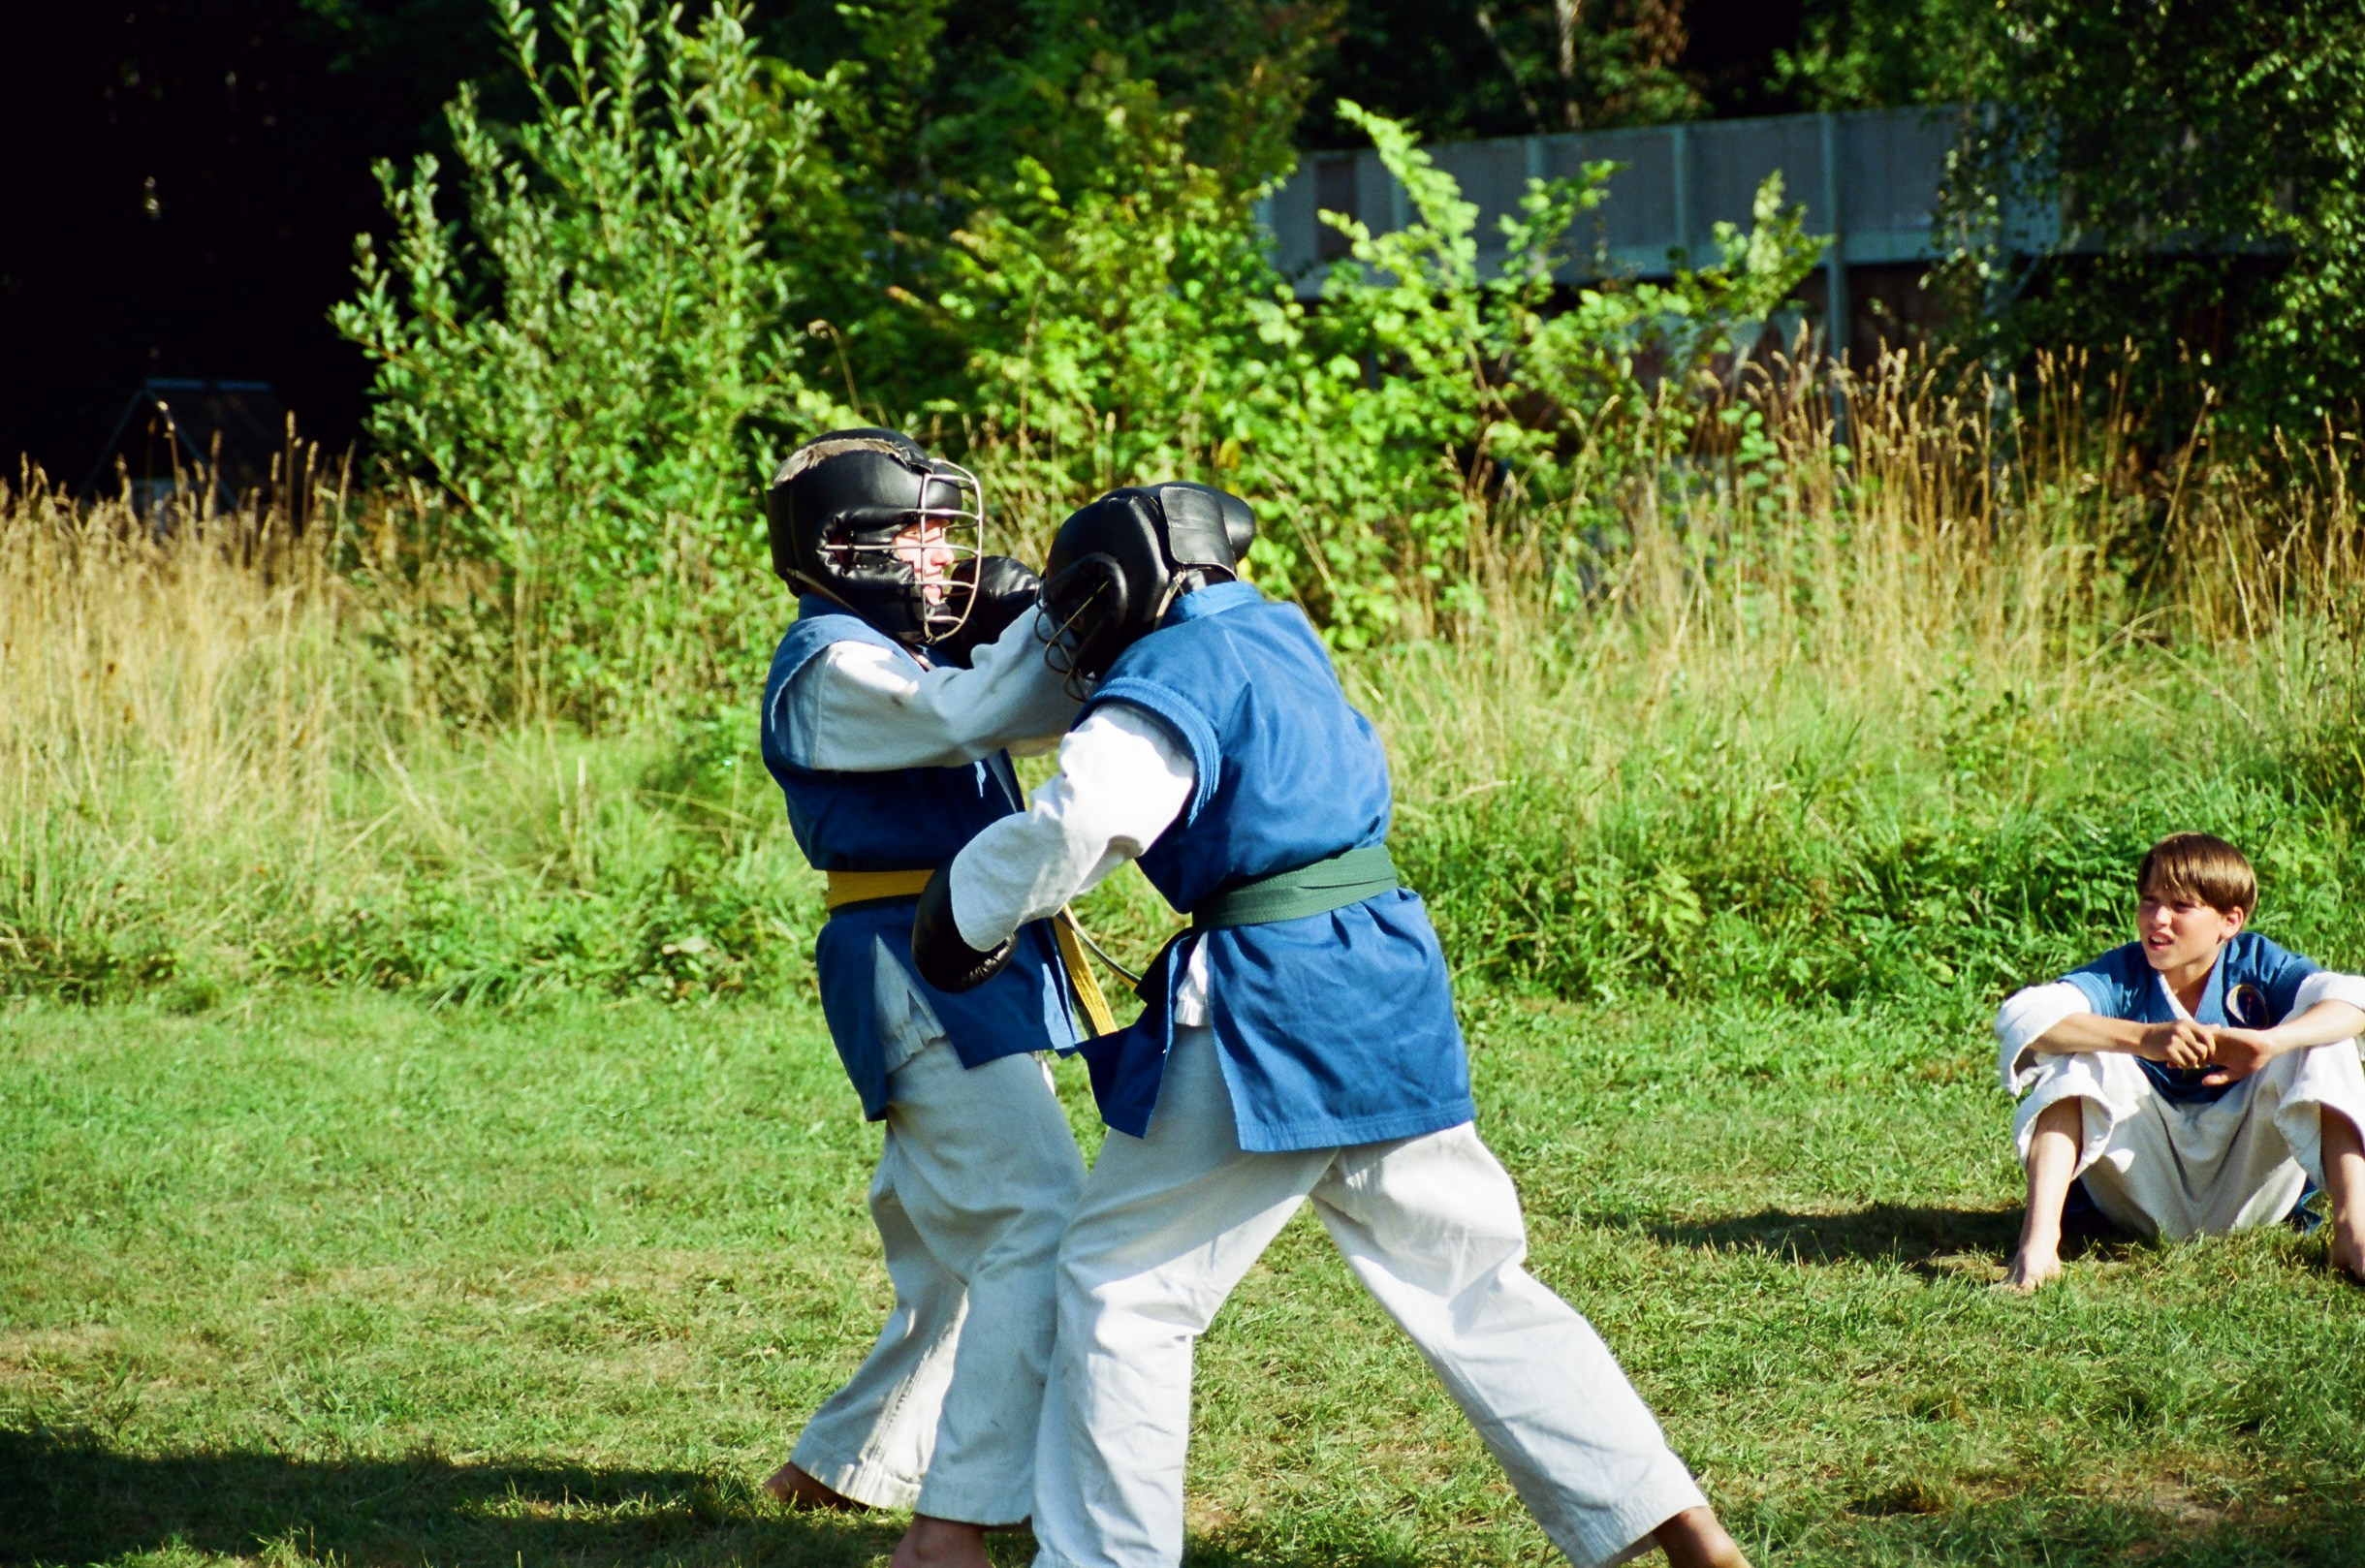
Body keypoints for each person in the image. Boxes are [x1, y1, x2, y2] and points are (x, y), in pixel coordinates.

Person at [908, 483, 1750, 1568]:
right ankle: (1680, 1526)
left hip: (1270, 1003)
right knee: (1474, 1279)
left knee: (1123, 1286)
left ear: (1117, 587)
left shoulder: (1169, 669)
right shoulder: (1278, 632)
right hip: (1385, 981)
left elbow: (1088, 815)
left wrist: (966, 904)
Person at [755, 429, 1106, 1568]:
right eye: (907, 532)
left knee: (959, 1246)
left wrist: (1035, 631)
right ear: (833, 549)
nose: (936, 556)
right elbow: (971, 719)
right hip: (910, 961)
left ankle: (840, 1463)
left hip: (966, 951)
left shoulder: (903, 653)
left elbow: (1013, 715)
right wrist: (1055, 626)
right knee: (1034, 1218)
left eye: (943, 534)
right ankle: (959, 1514)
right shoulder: (831, 661)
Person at [1994, 831, 2365, 1292]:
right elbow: (2020, 1017)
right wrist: (2144, 1038)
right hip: (2144, 1189)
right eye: (2149, 901)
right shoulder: (2124, 974)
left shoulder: (2256, 964)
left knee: (2326, 1041)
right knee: (2080, 1053)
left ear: (2229, 920)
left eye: (2181, 906)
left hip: (2248, 1186)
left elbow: (2355, 998)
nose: (2158, 919)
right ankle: (2039, 1244)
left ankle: (2353, 1233)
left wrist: (2273, 1042)